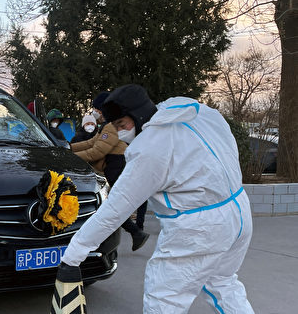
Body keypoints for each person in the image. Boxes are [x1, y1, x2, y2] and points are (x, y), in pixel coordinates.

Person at [61, 84, 254, 313]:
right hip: (238, 211)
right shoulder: (195, 113)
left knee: (164, 299)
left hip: (199, 228)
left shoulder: (151, 147)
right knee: (222, 283)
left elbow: (115, 209)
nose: (122, 132)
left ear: (138, 114)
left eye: (123, 125)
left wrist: (73, 255)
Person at [69, 96, 150, 251]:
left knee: (113, 204)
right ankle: (135, 232)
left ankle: (136, 232)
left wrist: (70, 154)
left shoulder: (111, 127)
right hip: (113, 165)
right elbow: (91, 143)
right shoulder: (107, 126)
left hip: (116, 165)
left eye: (97, 109)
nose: (96, 112)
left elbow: (97, 151)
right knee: (113, 203)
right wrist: (68, 147)